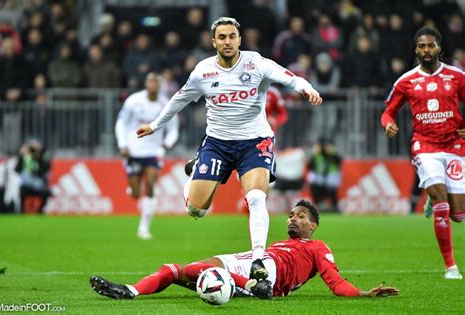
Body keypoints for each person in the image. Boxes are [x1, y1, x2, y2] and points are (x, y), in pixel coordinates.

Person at [136, 17, 323, 280]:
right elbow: (180, 99)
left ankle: (258, 258)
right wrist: (155, 126)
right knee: (197, 211)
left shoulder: (256, 63)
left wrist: (308, 89)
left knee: (256, 198)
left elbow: (290, 78)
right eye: (222, 37)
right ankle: (195, 169)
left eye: (232, 36)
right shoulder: (203, 71)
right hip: (217, 144)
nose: (227, 41)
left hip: (255, 142)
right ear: (214, 42)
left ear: (239, 39)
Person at [89, 200, 399, 300]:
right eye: (291, 215)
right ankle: (129, 291)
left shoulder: (318, 247)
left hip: (271, 276)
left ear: (314, 225)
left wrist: (361, 294)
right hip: (254, 260)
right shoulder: (278, 243)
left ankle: (251, 285)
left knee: (197, 271)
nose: (293, 219)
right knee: (175, 270)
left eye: (300, 216)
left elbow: (334, 281)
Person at [381, 26, 465, 280]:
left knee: (459, 215)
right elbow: (388, 111)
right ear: (416, 49)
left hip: (454, 145)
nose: (425, 50)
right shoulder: (405, 81)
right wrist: (388, 124)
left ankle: (433, 193)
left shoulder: (457, 76)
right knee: (442, 207)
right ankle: (451, 267)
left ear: (440, 48)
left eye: (430, 46)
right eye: (421, 46)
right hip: (424, 146)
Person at [115, 73, 179, 240]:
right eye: (150, 83)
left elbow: (173, 129)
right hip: (134, 151)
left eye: (156, 83)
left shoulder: (166, 104)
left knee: (150, 184)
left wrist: (166, 144)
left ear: (160, 86)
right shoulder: (133, 101)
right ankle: (133, 190)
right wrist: (123, 144)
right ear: (146, 84)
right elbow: (121, 123)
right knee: (136, 193)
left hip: (153, 152)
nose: (153, 86)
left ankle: (143, 228)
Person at [15, 139, 52, 214]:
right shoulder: (25, 157)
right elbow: (17, 169)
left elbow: (46, 169)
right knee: (22, 189)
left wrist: (38, 155)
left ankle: (40, 211)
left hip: (38, 185)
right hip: (27, 185)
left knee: (47, 192)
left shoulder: (41, 157)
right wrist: (21, 155)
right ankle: (22, 212)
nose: (32, 150)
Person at [306, 138, 342, 211]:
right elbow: (309, 167)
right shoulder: (315, 153)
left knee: (331, 184)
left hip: (331, 174)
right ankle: (319, 204)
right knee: (313, 181)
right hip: (319, 175)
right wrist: (313, 155)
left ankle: (334, 206)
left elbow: (339, 162)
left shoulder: (333, 152)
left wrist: (332, 153)